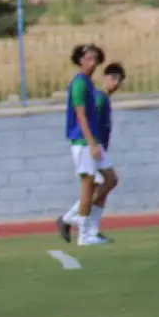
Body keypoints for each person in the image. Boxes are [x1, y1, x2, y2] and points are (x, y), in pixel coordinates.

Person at [60, 62, 124, 243]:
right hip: (91, 146)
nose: (115, 83)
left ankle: (92, 229)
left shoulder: (104, 99)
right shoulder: (98, 97)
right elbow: (87, 120)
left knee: (105, 186)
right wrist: (93, 144)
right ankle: (74, 221)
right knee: (100, 185)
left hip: (98, 147)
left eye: (119, 80)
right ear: (104, 78)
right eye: (113, 78)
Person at [57, 43, 109, 246]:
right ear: (80, 60)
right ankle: (85, 234)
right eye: (88, 58)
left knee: (110, 179)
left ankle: (71, 218)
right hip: (83, 141)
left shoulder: (88, 83)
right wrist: (91, 143)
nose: (92, 62)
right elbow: (80, 115)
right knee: (88, 185)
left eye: (95, 59)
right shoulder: (79, 83)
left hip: (92, 141)